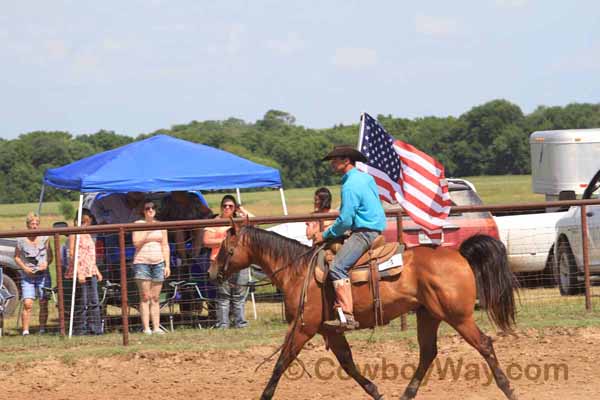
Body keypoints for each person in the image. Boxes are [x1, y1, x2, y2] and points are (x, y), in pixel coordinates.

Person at [313, 145, 386, 331]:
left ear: (346, 161)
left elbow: (345, 220)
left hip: (363, 232)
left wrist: (325, 234)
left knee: (337, 266)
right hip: (372, 228)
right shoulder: (366, 178)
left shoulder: (350, 185)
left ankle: (346, 315)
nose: (332, 163)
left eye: (335, 159)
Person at [204, 195, 252, 329]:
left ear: (234, 208)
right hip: (220, 262)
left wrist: (242, 210)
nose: (227, 208)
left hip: (239, 262)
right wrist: (227, 243)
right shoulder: (215, 221)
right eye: (224, 205)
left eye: (230, 206)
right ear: (221, 207)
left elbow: (254, 222)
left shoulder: (239, 221)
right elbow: (206, 241)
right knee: (223, 295)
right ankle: (223, 324)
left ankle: (240, 323)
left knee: (239, 294)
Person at [132, 199, 171, 335]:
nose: (150, 211)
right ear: (143, 211)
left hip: (158, 263)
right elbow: (136, 243)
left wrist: (167, 265)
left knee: (155, 297)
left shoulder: (161, 226)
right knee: (145, 296)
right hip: (142, 262)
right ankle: (146, 328)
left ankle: (156, 327)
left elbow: (165, 246)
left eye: (152, 208)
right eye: (147, 208)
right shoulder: (138, 224)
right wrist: (148, 231)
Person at [64, 209, 103, 335]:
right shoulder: (74, 234)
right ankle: (80, 329)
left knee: (94, 301)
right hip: (80, 271)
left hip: (90, 271)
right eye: (83, 221)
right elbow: (72, 253)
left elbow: (91, 254)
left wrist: (96, 270)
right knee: (82, 301)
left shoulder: (89, 235)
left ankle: (95, 329)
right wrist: (79, 271)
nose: (85, 223)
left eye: (87, 221)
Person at [13, 212, 54, 335]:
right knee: (27, 303)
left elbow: (50, 255)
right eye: (32, 224)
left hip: (43, 275)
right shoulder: (21, 240)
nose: (34, 226)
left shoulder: (44, 238)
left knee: (43, 301)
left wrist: (46, 263)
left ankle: (42, 328)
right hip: (28, 276)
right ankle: (25, 331)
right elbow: (16, 257)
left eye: (37, 224)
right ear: (27, 225)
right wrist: (24, 268)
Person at [158, 191, 214, 267]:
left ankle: (194, 257)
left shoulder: (193, 198)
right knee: (179, 231)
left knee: (199, 229)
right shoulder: (168, 201)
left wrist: (201, 221)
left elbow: (209, 213)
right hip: (173, 230)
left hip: (192, 228)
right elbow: (161, 218)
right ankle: (184, 261)